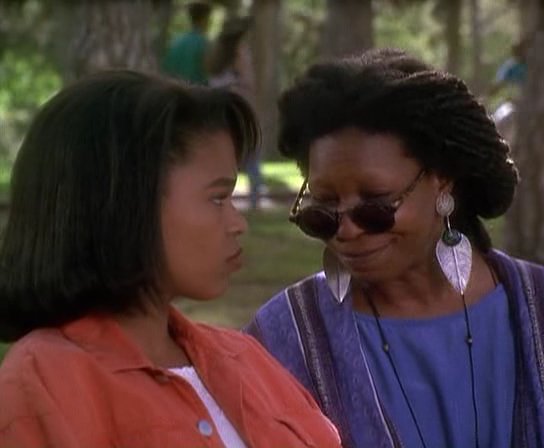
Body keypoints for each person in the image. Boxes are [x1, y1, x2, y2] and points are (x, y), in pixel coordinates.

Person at [245, 48, 544, 448]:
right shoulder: (283, 339)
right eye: (324, 207)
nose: (346, 230)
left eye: (375, 203)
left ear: (442, 181)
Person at [0, 70, 341, 448]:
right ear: (125, 204)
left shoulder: (245, 357)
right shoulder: (42, 386)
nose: (238, 224)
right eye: (218, 198)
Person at [208, 16, 264, 209]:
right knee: (252, 154)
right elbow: (249, 82)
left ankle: (217, 198)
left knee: (223, 155)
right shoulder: (240, 53)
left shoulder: (215, 56)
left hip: (220, 112)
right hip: (239, 109)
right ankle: (255, 199)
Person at [163, 1, 212, 85]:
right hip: (197, 90)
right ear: (205, 19)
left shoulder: (176, 41)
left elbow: (167, 70)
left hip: (174, 88)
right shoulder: (205, 43)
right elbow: (209, 71)